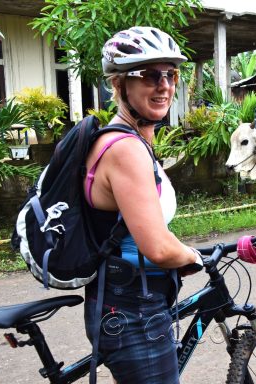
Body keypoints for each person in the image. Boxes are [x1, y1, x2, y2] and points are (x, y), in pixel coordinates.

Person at [83, 26, 203, 384]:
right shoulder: (126, 150)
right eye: (150, 75)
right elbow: (158, 248)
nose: (164, 85)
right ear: (119, 84)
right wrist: (195, 257)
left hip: (135, 301)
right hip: (132, 311)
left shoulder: (135, 142)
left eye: (170, 74)